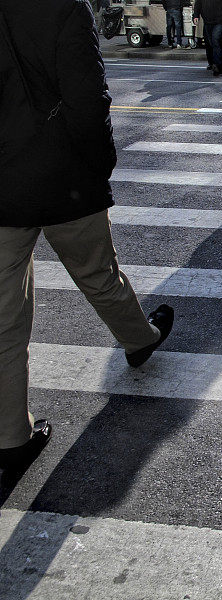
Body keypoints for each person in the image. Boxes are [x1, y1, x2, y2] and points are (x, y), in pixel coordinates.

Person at [0, 0, 174, 471]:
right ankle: (139, 338)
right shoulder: (62, 9)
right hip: (64, 177)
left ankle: (11, 436)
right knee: (98, 273)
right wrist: (100, 167)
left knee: (3, 318)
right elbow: (87, 98)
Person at [192, 0, 222, 75]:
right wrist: (196, 15)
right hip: (207, 21)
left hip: (219, 21)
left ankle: (217, 65)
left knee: (216, 41)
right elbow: (198, 3)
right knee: (211, 43)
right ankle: (219, 65)